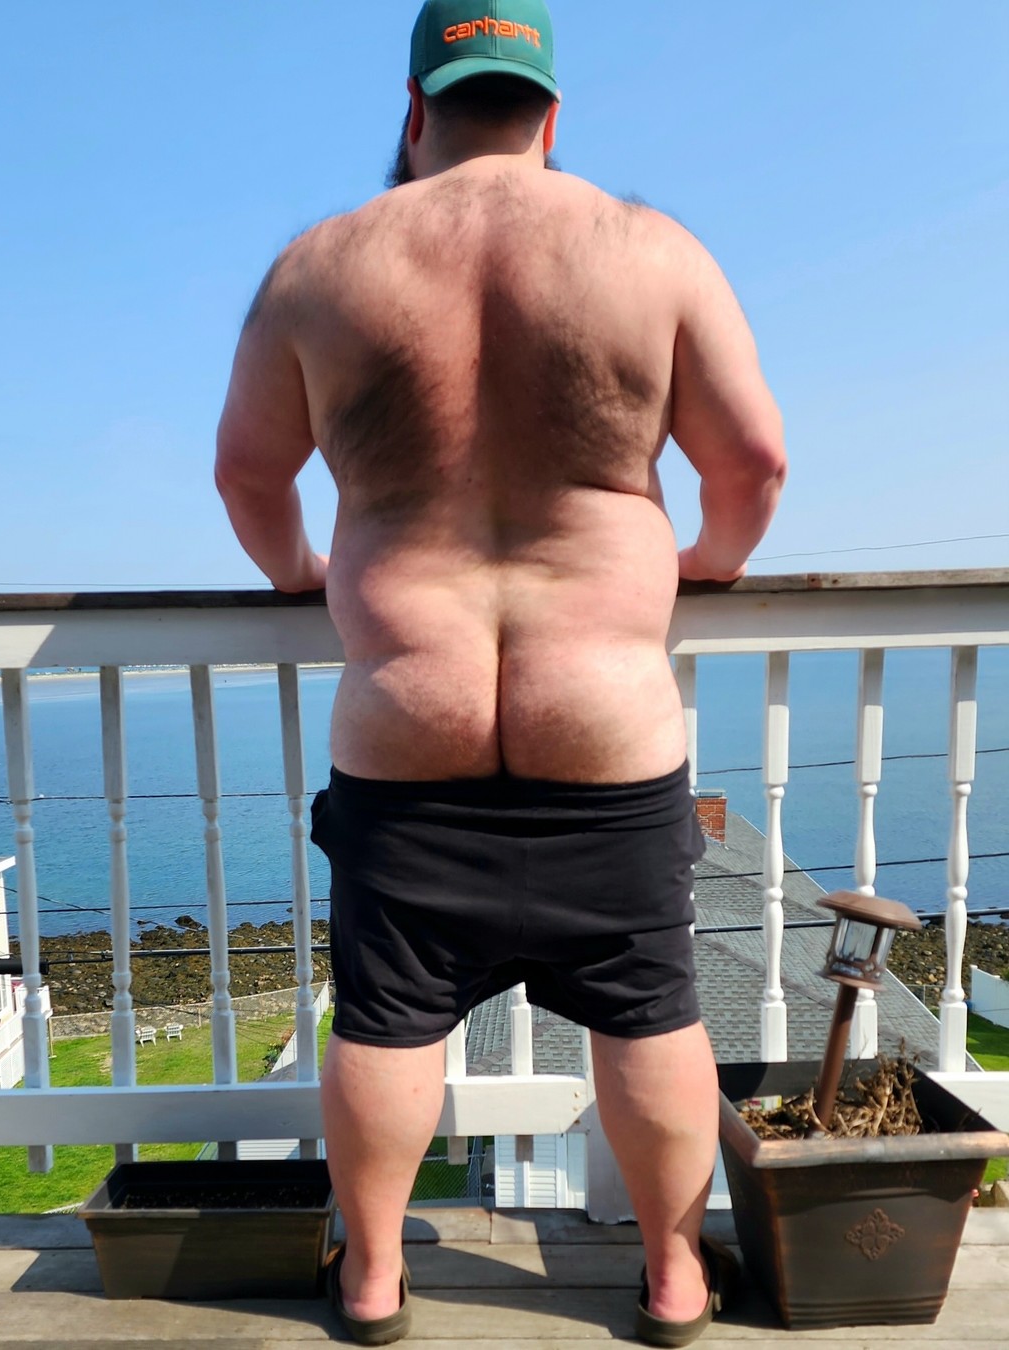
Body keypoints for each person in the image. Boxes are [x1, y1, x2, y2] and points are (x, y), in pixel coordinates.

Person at [216, 2, 787, 1344]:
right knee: (649, 1012)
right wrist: (703, 561)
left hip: (406, 732)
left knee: (386, 1022)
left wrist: (301, 571)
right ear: (551, 112)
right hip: (605, 728)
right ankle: (673, 1278)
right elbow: (755, 463)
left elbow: (247, 475)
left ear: (416, 109)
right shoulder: (650, 252)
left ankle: (371, 1280)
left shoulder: (320, 268)